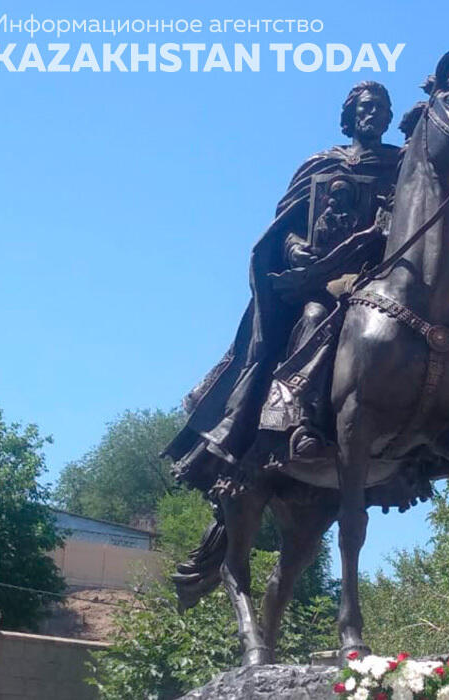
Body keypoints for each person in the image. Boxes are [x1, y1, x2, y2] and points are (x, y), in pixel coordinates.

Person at [164, 81, 401, 488]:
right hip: (322, 283)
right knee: (313, 318)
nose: (374, 113)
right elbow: (286, 227)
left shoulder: (400, 164)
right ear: (350, 116)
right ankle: (297, 419)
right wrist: (294, 251)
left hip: (379, 283)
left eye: (381, 107)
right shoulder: (320, 164)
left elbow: (426, 205)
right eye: (366, 106)